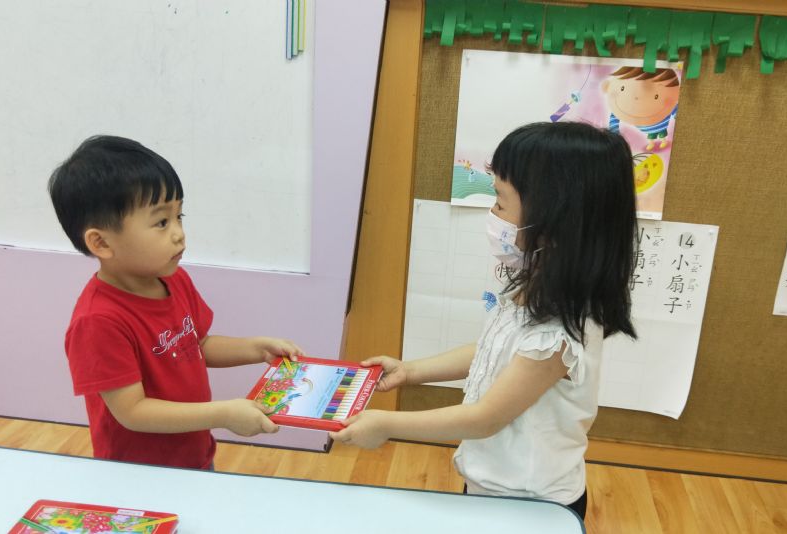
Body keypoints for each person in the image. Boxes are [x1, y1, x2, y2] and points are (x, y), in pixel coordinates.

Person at [330, 121, 638, 520]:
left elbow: (485, 417)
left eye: (500, 202)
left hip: (529, 503)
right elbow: (492, 350)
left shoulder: (558, 333)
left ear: (555, 220)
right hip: (493, 483)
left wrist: (387, 424)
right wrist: (410, 371)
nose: (493, 214)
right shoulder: (538, 285)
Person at [47, 135, 303, 470]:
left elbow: (197, 345)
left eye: (179, 216)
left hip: (194, 455)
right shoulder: (98, 321)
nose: (179, 232)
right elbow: (132, 411)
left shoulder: (174, 279)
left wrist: (255, 349)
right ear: (101, 243)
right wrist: (224, 414)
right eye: (161, 222)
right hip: (137, 473)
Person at [601, 66, 680, 151]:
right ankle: (652, 143)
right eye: (622, 88)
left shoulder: (670, 105)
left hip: (662, 126)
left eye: (656, 96)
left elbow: (676, 111)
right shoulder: (617, 111)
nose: (636, 98)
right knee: (651, 136)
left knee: (662, 134)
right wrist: (614, 133)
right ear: (607, 86)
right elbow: (614, 121)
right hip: (648, 131)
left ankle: (663, 141)